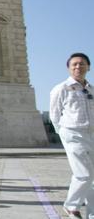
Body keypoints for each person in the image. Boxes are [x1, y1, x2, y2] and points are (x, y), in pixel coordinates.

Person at [50, 53, 93, 219]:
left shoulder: (91, 89)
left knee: (93, 178)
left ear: (88, 67)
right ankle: (71, 206)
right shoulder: (61, 88)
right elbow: (54, 114)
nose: (78, 67)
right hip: (73, 133)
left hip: (92, 134)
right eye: (74, 64)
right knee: (84, 174)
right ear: (69, 68)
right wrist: (63, 133)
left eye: (82, 64)